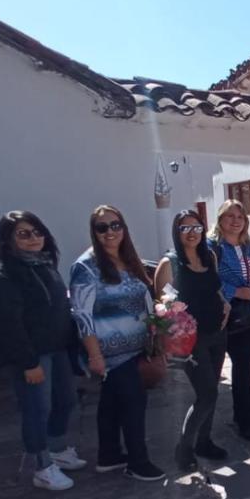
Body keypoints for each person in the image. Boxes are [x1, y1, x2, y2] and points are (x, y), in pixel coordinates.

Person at [0, 210, 84, 491]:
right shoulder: (3, 274)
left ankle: (57, 449)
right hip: (33, 355)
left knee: (67, 400)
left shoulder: (44, 264)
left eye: (37, 232)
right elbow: (10, 323)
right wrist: (28, 363)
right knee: (38, 409)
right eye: (23, 234)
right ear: (8, 240)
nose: (33, 238)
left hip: (58, 348)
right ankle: (42, 465)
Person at [70, 205, 164, 481]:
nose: (110, 232)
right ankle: (138, 461)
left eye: (115, 225)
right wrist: (94, 355)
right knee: (134, 402)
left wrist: (155, 330)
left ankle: (108, 455)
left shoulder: (129, 260)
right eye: (102, 227)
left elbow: (145, 298)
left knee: (110, 402)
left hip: (136, 348)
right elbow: (82, 315)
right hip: (110, 353)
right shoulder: (86, 267)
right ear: (94, 232)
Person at [154, 210, 230, 472]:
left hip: (216, 333)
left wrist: (225, 302)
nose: (191, 232)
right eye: (184, 228)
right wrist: (171, 309)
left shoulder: (209, 257)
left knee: (212, 393)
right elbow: (163, 302)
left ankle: (204, 442)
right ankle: (184, 447)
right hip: (191, 339)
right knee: (206, 393)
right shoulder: (171, 263)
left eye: (196, 227)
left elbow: (215, 287)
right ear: (176, 232)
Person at [210, 199, 250, 443]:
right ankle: (201, 430)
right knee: (214, 373)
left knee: (246, 367)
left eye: (240, 216)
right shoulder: (212, 248)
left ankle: (247, 418)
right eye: (230, 216)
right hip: (224, 317)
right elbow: (207, 279)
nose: (235, 221)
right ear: (220, 220)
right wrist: (234, 291)